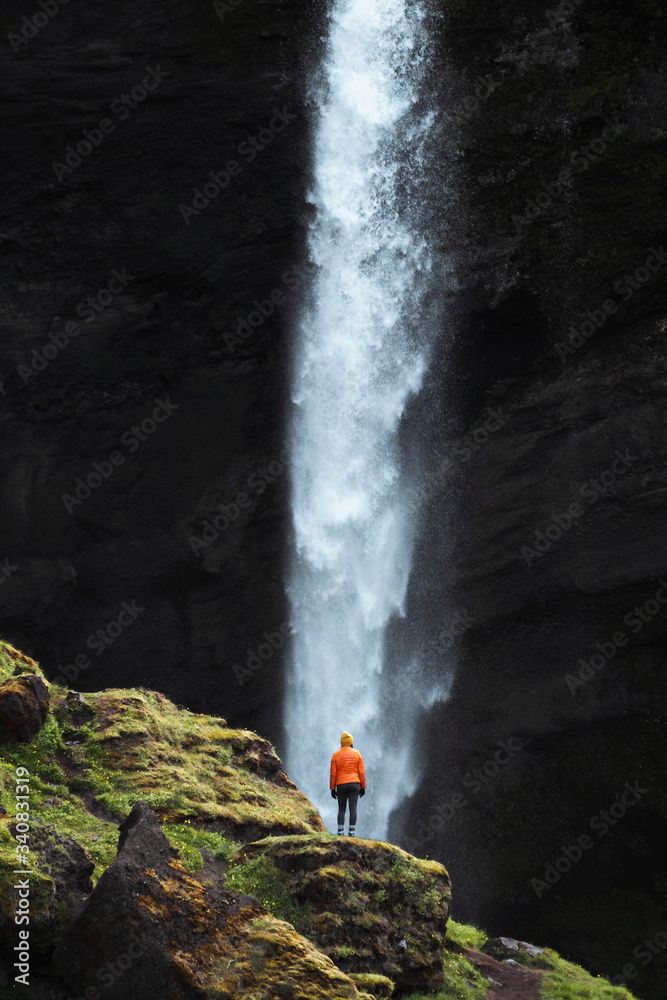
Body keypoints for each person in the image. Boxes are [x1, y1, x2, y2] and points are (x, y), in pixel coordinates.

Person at [330, 731, 366, 836]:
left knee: (341, 809)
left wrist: (332, 788)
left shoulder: (336, 755)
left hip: (341, 784)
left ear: (342, 742)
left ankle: (340, 832)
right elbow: (361, 773)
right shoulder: (357, 754)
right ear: (351, 742)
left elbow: (333, 774)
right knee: (353, 808)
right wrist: (363, 786)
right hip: (354, 784)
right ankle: (352, 832)